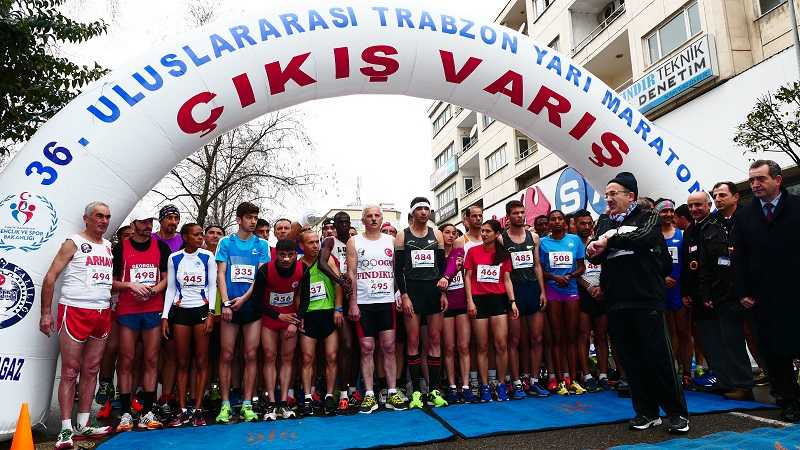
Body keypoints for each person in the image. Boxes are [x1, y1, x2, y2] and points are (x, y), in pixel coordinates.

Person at [587, 172, 688, 434]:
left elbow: (644, 237)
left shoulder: (648, 215)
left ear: (630, 196)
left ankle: (676, 413)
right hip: (616, 300)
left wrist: (609, 240)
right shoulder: (603, 220)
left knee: (659, 356)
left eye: (613, 194)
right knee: (631, 360)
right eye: (606, 195)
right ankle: (646, 412)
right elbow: (595, 255)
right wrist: (594, 247)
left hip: (646, 298)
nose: (608, 199)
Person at [40, 202, 115, 449]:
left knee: (92, 369)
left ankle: (83, 424)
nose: (103, 221)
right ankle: (65, 428)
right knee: (70, 371)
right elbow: (50, 277)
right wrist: (45, 314)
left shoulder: (108, 246)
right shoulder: (73, 242)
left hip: (102, 312)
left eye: (107, 217)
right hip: (74, 310)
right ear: (86, 218)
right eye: (99, 216)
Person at [735, 160, 800, 422]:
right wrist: (743, 292)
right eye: (752, 180)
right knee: (774, 352)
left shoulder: (797, 207)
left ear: (778, 180)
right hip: (763, 298)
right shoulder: (745, 215)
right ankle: (788, 400)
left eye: (760, 179)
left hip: (796, 292)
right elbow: (739, 256)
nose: (755, 185)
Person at [694, 181, 754, 401]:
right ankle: (742, 385)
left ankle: (780, 385)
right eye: (715, 195)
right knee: (732, 341)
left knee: (762, 339)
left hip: (753, 291)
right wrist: (706, 293)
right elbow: (705, 265)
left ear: (735, 197)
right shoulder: (708, 226)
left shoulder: (750, 219)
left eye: (722, 195)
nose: (718, 199)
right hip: (724, 293)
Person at [113, 207, 171, 432]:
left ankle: (147, 411)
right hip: (128, 310)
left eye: (150, 222)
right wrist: (130, 285)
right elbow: (111, 282)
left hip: (153, 309)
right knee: (126, 359)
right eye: (144, 222)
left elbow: (167, 278)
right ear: (133, 224)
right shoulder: (121, 248)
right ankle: (126, 412)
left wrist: (154, 290)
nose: (148, 226)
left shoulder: (161, 247)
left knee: (151, 359)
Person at [347, 205, 408, 413]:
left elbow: (397, 271)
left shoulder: (391, 240)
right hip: (364, 303)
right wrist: (353, 302)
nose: (373, 219)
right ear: (363, 220)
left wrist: (399, 293)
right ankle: (369, 395)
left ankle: (392, 392)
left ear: (382, 219)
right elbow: (351, 273)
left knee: (389, 347)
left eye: (377, 216)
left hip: (386, 302)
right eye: (369, 216)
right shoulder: (354, 241)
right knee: (366, 348)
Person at [215, 202, 270, 423]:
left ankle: (247, 403)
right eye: (249, 217)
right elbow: (221, 274)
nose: (253, 221)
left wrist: (244, 299)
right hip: (230, 307)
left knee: (250, 355)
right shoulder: (226, 242)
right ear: (239, 219)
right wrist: (226, 303)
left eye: (255, 217)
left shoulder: (262, 245)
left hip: (251, 307)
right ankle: (225, 404)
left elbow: (260, 277)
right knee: (227, 354)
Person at [395, 197, 449, 409]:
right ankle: (416, 392)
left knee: (434, 340)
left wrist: (443, 294)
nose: (424, 212)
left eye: (427, 208)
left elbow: (442, 267)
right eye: (420, 209)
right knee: (413, 341)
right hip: (413, 292)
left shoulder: (436, 234)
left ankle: (434, 390)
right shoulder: (403, 235)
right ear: (412, 213)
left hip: (433, 292)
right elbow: (398, 270)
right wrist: (404, 295)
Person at [160, 223, 216, 426]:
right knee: (182, 362)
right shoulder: (174, 258)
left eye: (202, 234)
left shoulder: (207, 256)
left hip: (201, 310)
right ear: (185, 237)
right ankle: (183, 410)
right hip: (181, 312)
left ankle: (198, 409)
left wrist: (211, 313)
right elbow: (170, 289)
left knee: (201, 361)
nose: (201, 237)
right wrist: (165, 316)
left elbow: (213, 286)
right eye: (196, 234)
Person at [464, 219, 520, 402]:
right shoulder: (472, 252)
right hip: (479, 301)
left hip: (498, 301)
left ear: (497, 234)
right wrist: (470, 301)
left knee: (501, 344)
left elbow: (507, 280)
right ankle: (485, 386)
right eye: (483, 230)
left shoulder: (503, 254)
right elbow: (467, 277)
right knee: (482, 346)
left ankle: (501, 384)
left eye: (488, 231)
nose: (484, 234)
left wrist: (512, 302)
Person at [500, 200, 549, 399]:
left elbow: (537, 265)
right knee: (514, 340)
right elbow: (503, 272)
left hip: (532, 289)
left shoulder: (534, 237)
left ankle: (534, 380)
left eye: (522, 212)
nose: (520, 216)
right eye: (516, 213)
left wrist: (542, 291)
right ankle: (516, 382)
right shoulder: (501, 239)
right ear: (508, 216)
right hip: (514, 291)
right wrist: (511, 299)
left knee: (536, 338)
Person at [254, 239, 304, 420]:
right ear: (276, 255)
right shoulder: (265, 270)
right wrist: (278, 316)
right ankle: (271, 403)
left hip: (290, 319)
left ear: (296, 255)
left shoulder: (302, 269)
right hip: (270, 318)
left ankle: (283, 402)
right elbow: (257, 301)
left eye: (290, 255)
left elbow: (305, 299)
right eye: (282, 255)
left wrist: (295, 322)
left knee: (287, 358)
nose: (286, 259)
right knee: (269, 356)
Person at [296, 229, 344, 416]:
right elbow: (297, 294)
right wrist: (299, 315)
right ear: (302, 246)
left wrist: (338, 309)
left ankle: (330, 395)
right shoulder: (298, 265)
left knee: (331, 356)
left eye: (317, 241)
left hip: (328, 313)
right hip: (309, 315)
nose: (316, 245)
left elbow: (338, 284)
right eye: (311, 243)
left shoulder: (327, 260)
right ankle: (308, 396)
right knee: (308, 358)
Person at [540, 210, 586, 396]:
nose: (557, 222)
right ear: (549, 223)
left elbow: (581, 266)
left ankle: (572, 379)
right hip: (553, 291)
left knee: (571, 336)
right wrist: (554, 277)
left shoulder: (574, 240)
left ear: (565, 222)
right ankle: (560, 380)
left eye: (560, 219)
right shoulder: (542, 243)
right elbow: (539, 269)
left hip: (571, 290)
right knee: (557, 337)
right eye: (553, 219)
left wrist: (570, 275)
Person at [318, 211, 358, 414]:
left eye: (346, 222)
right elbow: (321, 263)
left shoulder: (356, 241)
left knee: (359, 346)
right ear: (335, 225)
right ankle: (341, 392)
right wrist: (339, 280)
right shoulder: (330, 242)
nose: (344, 225)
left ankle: (353, 388)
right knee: (346, 345)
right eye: (340, 222)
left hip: (358, 295)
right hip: (336, 297)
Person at [95, 225, 135, 418]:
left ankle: (123, 394)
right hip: (111, 307)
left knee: (128, 354)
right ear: (119, 238)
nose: (129, 239)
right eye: (126, 236)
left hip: (132, 308)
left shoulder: (137, 255)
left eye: (132, 236)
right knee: (110, 348)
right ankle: (105, 385)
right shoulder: (111, 254)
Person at [656, 199, 692, 388]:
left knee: (684, 332)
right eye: (664, 211)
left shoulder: (682, 235)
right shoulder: (653, 236)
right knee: (669, 333)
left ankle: (687, 371)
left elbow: (688, 263)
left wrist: (679, 281)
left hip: (679, 289)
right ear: (657, 214)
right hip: (662, 290)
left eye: (671, 211)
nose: (668, 214)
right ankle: (673, 370)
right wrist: (663, 278)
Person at [574, 210, 611, 393]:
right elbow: (573, 270)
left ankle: (603, 375)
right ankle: (587, 375)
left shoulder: (600, 242)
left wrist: (602, 287)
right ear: (575, 225)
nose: (587, 227)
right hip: (582, 294)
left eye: (589, 223)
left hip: (601, 293)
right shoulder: (572, 243)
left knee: (601, 335)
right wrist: (589, 287)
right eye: (583, 223)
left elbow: (608, 267)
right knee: (583, 335)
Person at [440, 224, 477, 403]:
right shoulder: (436, 254)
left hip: (462, 302)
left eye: (454, 233)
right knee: (448, 348)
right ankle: (452, 386)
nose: (451, 236)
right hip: (445, 305)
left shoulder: (460, 251)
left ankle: (466, 386)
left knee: (463, 346)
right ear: (440, 234)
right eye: (447, 232)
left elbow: (463, 272)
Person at [682, 192, 715, 388]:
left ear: (708, 205)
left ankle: (735, 381)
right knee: (705, 337)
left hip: (716, 294)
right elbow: (688, 265)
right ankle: (718, 376)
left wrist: (712, 293)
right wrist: (686, 292)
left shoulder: (716, 226)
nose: (694, 209)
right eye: (691, 206)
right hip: (697, 295)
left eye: (698, 205)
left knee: (722, 338)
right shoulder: (690, 231)